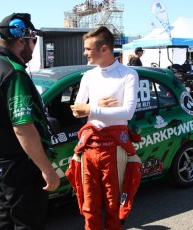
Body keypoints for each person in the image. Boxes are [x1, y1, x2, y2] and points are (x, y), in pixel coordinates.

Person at [0, 13, 60, 229]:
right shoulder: (14, 73)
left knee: (5, 216)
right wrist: (47, 170)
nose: (34, 46)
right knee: (27, 221)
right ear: (21, 39)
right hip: (19, 164)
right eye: (33, 40)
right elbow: (23, 128)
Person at [67, 26, 142, 230]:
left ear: (104, 49)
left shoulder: (128, 74)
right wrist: (97, 106)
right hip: (89, 148)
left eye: (88, 49)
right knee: (88, 204)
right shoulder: (88, 76)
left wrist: (92, 108)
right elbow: (76, 110)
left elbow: (127, 112)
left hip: (114, 147)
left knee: (113, 205)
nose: (85, 53)